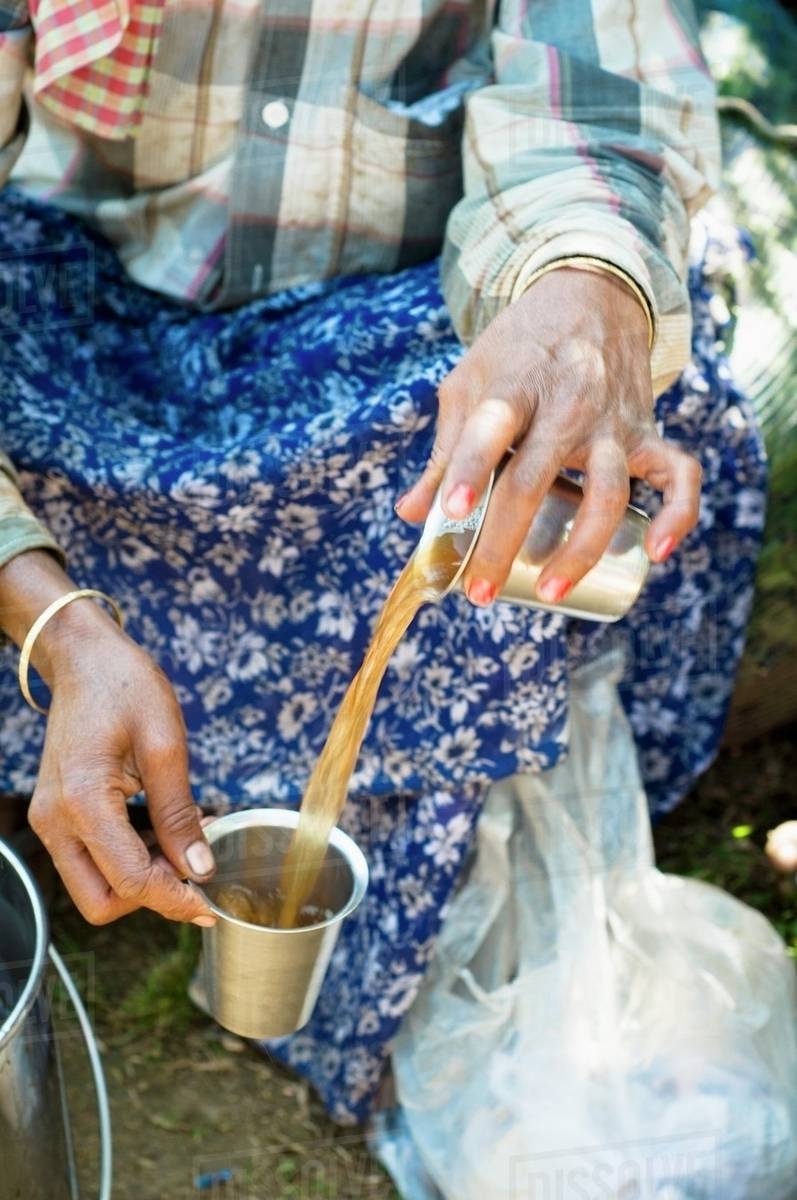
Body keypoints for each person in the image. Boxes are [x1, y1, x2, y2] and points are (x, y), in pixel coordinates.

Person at [0, 0, 765, 1123]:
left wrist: (577, 294)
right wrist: (53, 621)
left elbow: (594, 105)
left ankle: (398, 894)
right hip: (84, 299)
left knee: (548, 430)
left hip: (395, 307)